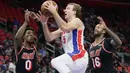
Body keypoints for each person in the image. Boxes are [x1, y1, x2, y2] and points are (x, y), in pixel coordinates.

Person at [35, 2, 88, 73]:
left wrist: (54, 12)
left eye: (68, 8)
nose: (64, 10)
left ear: (74, 12)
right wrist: (44, 24)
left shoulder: (77, 21)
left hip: (79, 55)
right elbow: (49, 38)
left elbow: (65, 27)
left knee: (55, 62)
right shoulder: (62, 28)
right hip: (72, 60)